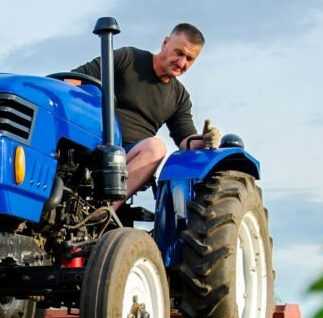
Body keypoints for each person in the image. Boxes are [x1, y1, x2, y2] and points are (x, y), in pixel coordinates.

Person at [68, 22, 221, 205]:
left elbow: (185, 139)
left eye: (190, 59)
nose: (182, 63)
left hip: (130, 157)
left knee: (156, 148)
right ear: (165, 43)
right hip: (93, 144)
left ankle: (104, 210)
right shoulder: (129, 58)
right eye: (179, 53)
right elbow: (75, 78)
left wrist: (205, 139)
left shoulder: (179, 96)